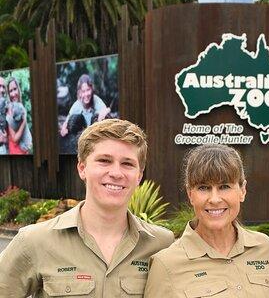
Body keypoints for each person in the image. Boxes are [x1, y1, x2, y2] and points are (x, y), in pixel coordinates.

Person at [0, 119, 175, 296]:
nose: (116, 173)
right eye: (104, 161)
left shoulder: (162, 244)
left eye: (127, 164)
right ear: (82, 168)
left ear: (139, 176)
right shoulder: (35, 241)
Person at [144, 144, 269, 297]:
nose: (214, 199)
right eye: (203, 187)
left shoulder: (264, 248)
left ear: (243, 190)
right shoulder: (166, 264)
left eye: (224, 186)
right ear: (190, 194)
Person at [6, 77, 31, 154]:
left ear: (18, 89)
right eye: (10, 91)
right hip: (16, 151)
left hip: (24, 149)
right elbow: (15, 138)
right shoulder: (9, 110)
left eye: (15, 89)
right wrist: (24, 121)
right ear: (8, 94)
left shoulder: (19, 105)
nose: (13, 94)